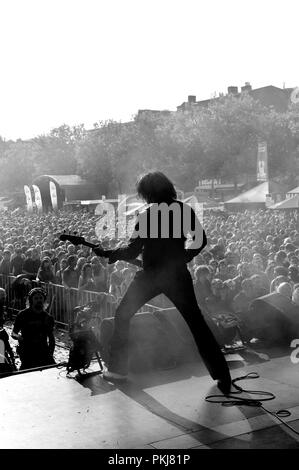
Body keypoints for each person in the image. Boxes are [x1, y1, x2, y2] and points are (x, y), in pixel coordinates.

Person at [93, 171, 231, 393]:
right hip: (177, 275)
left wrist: (111, 253)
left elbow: (132, 250)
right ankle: (223, 376)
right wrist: (185, 257)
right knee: (198, 324)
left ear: (146, 192)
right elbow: (200, 240)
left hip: (150, 276)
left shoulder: (146, 215)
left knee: (122, 314)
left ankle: (118, 370)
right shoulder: (184, 210)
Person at [11, 288, 55, 370]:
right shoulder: (23, 315)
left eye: (41, 298)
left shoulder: (48, 317)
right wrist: (19, 337)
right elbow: (13, 333)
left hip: (43, 351)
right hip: (27, 352)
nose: (39, 300)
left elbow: (51, 338)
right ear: (31, 300)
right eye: (36, 298)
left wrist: (50, 354)